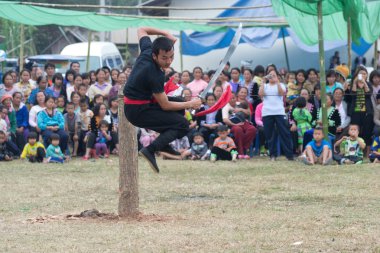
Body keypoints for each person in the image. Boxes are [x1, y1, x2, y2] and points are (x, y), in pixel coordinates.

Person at [123, 27, 202, 173]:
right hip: (137, 111)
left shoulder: (147, 50)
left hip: (143, 102)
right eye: (164, 58)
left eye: (171, 57)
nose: (169, 62)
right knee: (183, 125)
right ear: (155, 56)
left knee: (179, 104)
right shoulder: (154, 74)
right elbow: (165, 105)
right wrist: (191, 103)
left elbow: (142, 30)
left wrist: (166, 34)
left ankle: (163, 144)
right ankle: (150, 150)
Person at [259, 69, 294, 161]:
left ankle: (289, 155)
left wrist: (277, 81)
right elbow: (261, 94)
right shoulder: (265, 86)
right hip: (267, 113)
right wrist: (263, 82)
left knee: (285, 133)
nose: (271, 77)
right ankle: (273, 155)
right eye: (270, 75)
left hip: (279, 112)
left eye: (273, 75)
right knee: (270, 135)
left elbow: (281, 93)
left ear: (277, 76)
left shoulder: (281, 85)